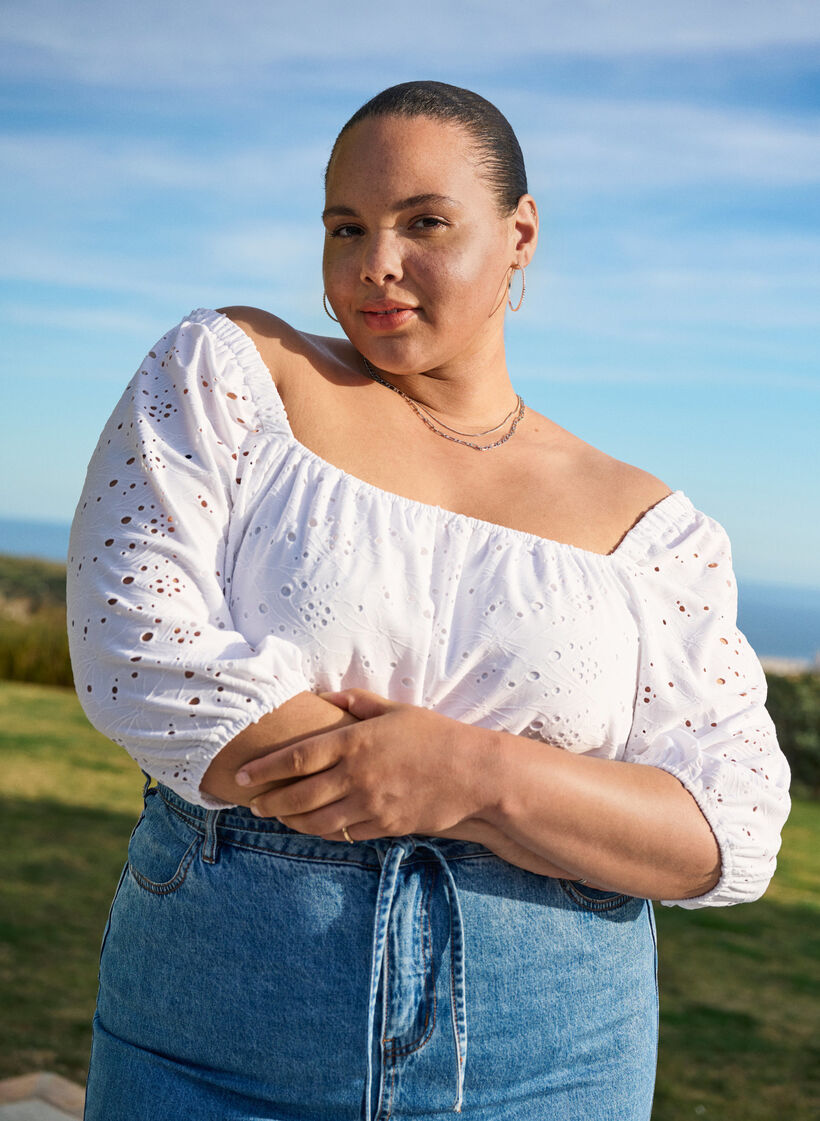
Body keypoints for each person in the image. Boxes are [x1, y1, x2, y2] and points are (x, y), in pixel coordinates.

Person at [67, 81, 790, 1121]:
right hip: (217, 1021)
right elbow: (139, 648)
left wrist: (475, 774)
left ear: (519, 234)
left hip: (552, 1051)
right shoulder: (236, 371)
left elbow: (730, 825)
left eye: (423, 223)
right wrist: (463, 785)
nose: (375, 265)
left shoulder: (653, 530)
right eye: (345, 226)